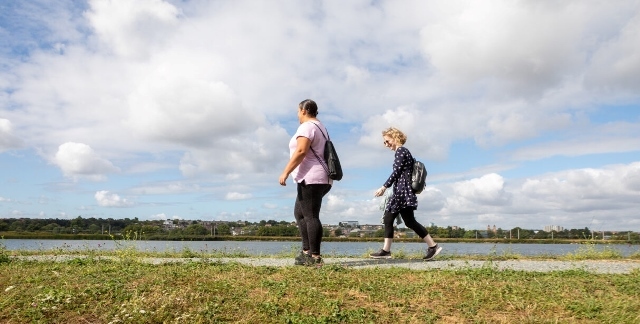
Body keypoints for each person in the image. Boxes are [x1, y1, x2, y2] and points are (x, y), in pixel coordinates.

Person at [370, 127, 442, 260]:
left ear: (394, 137)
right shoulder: (404, 152)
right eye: (384, 143)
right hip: (403, 191)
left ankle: (386, 251)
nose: (386, 145)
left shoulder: (401, 151)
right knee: (408, 221)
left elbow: (396, 172)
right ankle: (433, 246)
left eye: (387, 141)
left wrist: (384, 187)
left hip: (401, 193)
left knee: (389, 218)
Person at [279, 99, 332, 266]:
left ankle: (315, 257)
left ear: (303, 110)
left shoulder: (307, 127)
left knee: (310, 215)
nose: (297, 114)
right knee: (300, 214)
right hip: (316, 177)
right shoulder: (320, 127)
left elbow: (301, 150)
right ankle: (306, 252)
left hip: (312, 177)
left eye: (297, 111)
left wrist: (285, 171)